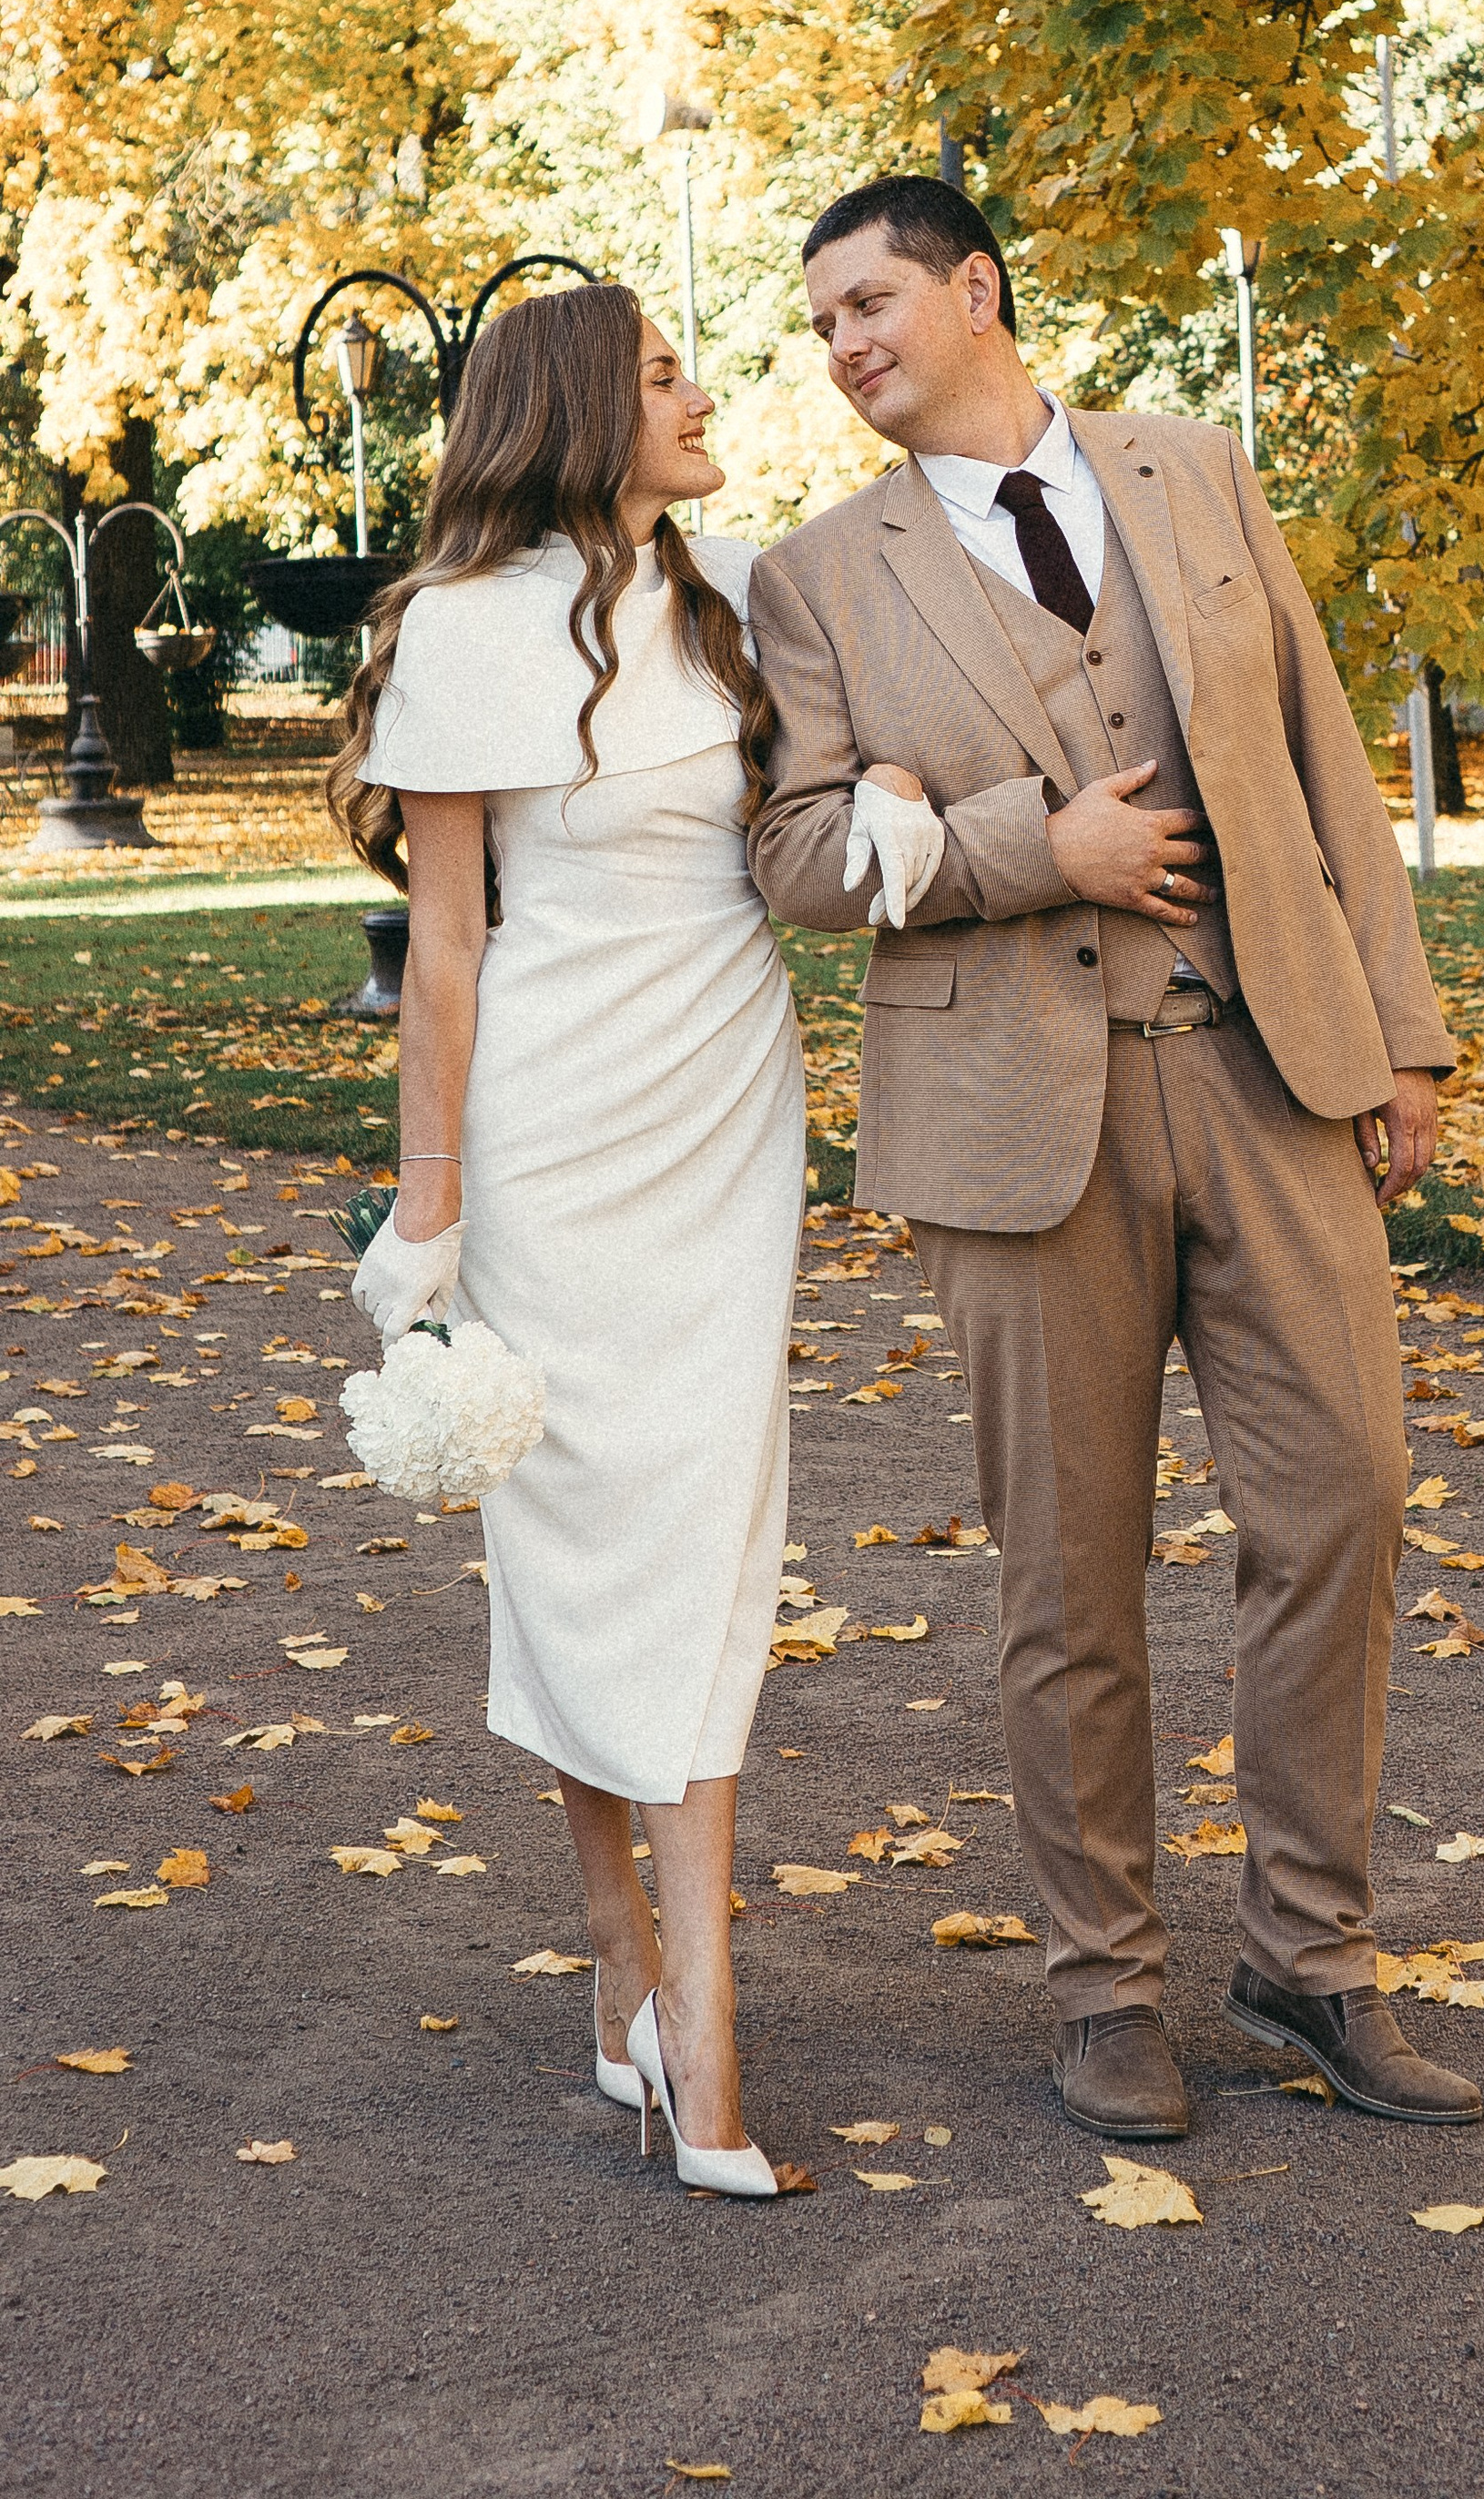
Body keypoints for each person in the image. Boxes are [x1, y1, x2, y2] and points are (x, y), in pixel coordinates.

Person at [749, 177, 1479, 2140]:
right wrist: (1017, 849)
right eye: (819, 325)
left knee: (1343, 1499)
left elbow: (1326, 760)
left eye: (869, 301)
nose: (842, 349)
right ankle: (1103, 1991)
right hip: (1010, 1126)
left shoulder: (1193, 472)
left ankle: (1310, 1960)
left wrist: (1401, 1035)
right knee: (1067, 1582)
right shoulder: (818, 579)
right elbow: (802, 859)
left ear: (976, 288)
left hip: (1267, 1069)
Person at [326, 282, 939, 2198]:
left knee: (704, 1530)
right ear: (581, 413)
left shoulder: (746, 587)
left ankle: (675, 1998)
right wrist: (426, 1220)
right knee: (581, 1544)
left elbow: (837, 796)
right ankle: (659, 1991)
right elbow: (443, 943)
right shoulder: (460, 630)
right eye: (663, 374)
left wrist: (904, 816)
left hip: (723, 1113)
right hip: (550, 1130)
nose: (699, 395)